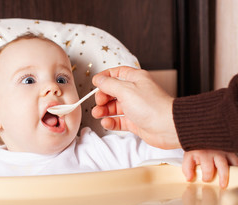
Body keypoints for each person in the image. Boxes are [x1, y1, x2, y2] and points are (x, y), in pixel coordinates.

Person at [0, 33, 231, 188]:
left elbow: (170, 148)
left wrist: (200, 145)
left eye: (62, 79)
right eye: (29, 80)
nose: (53, 89)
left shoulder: (100, 152)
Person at [92, 66, 238, 188]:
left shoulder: (100, 150)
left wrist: (202, 143)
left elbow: (172, 155)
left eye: (67, 80)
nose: (66, 92)